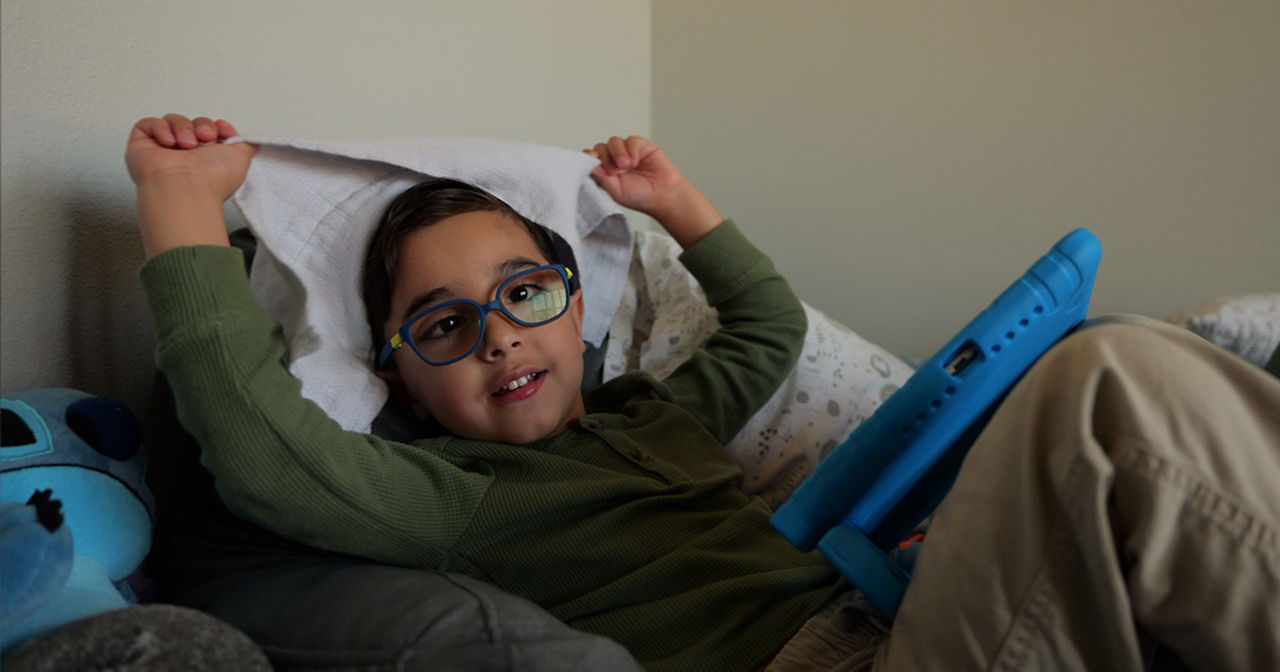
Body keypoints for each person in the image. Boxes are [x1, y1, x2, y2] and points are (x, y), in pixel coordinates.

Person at [126, 114, 1280, 671]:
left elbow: (766, 328)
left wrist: (676, 205)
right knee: (1104, 383)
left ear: (575, 309)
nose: (497, 336)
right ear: (403, 384)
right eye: (442, 325)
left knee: (1119, 367)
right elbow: (259, 447)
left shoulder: (655, 415)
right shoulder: (455, 496)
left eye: (524, 293)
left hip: (896, 619)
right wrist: (180, 202)